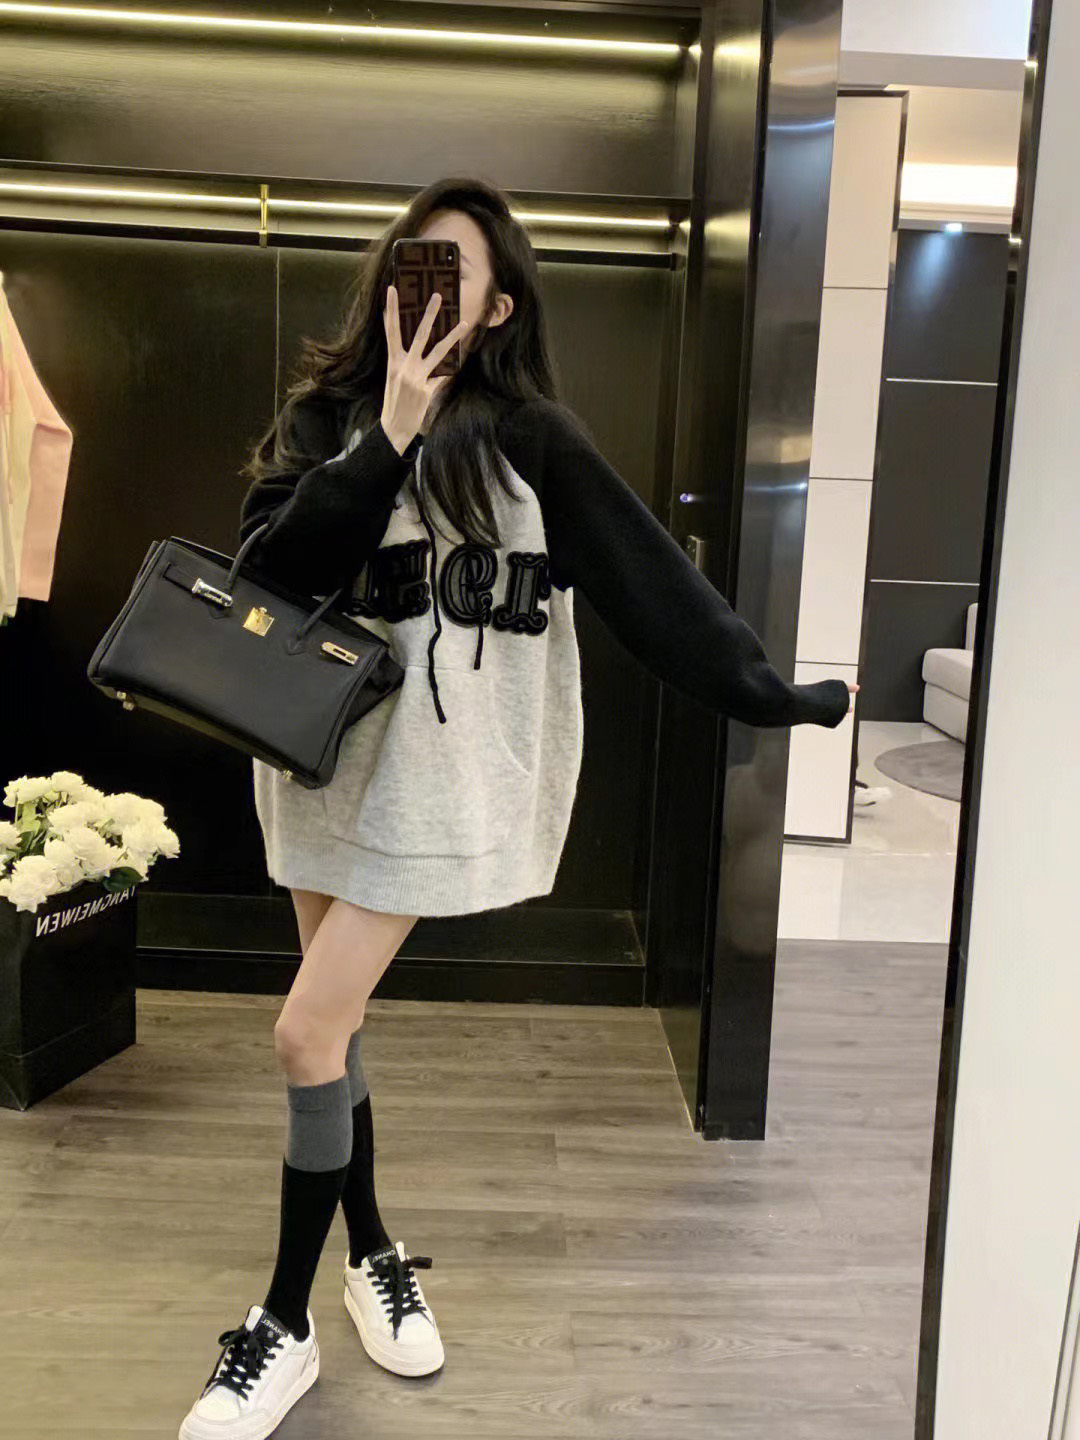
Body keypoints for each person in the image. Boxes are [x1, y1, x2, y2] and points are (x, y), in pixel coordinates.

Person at [178, 174, 860, 1440]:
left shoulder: (531, 440)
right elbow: (271, 576)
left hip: (433, 790)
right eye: (412, 262)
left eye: (455, 272)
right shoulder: (326, 415)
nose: (425, 287)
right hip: (316, 768)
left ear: (497, 307)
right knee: (334, 1035)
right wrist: (386, 433)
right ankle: (371, 1251)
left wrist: (768, 691)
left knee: (303, 1035)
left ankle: (280, 1325)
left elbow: (651, 584)